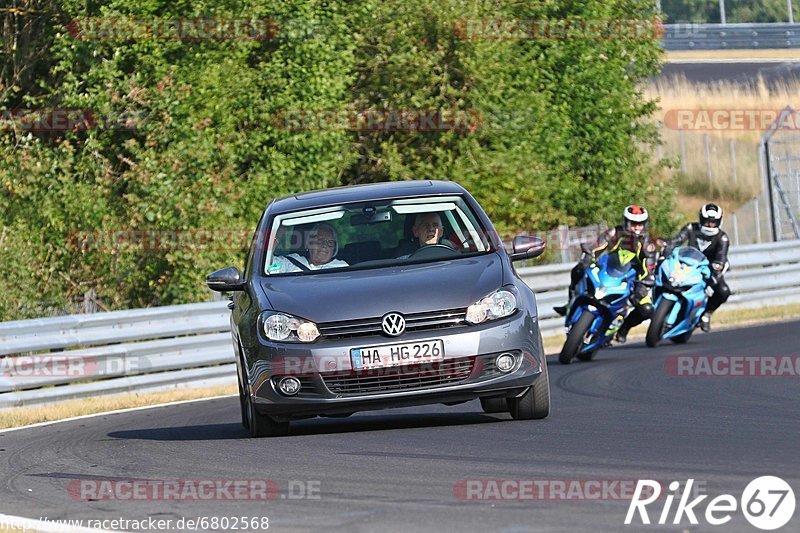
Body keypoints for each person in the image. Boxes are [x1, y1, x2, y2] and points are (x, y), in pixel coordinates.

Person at [554, 205, 657, 344]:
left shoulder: (648, 243)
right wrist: (588, 257)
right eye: (634, 224)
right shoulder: (614, 233)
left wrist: (643, 285)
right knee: (578, 270)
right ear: (626, 222)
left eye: (640, 224)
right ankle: (570, 302)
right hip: (610, 270)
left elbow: (649, 267)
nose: (637, 227)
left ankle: (623, 329)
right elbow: (597, 246)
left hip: (633, 279)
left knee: (647, 309)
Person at [661, 202, 730, 332]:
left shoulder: (722, 238)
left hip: (708, 269)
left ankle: (706, 314)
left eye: (713, 222)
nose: (710, 225)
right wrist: (665, 244)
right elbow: (677, 240)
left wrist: (714, 278)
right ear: (700, 219)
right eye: (707, 221)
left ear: (719, 222)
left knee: (723, 291)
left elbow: (720, 259)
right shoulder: (691, 228)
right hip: (687, 264)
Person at [267, 223, 348, 274]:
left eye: (330, 242)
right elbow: (268, 266)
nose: (324, 245)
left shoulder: (341, 267)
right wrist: (277, 235)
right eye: (320, 240)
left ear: (334, 248)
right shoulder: (291, 262)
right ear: (309, 243)